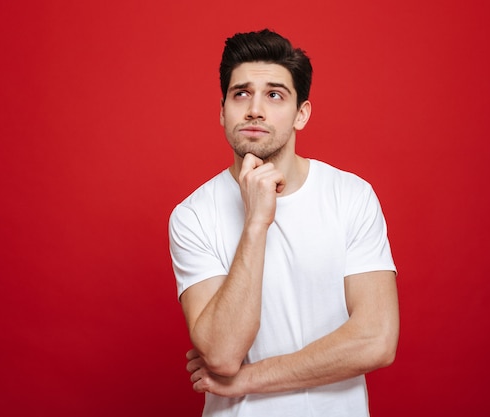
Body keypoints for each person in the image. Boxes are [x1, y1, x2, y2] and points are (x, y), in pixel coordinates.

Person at [168, 28, 399, 417]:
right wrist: (256, 223)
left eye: (275, 95)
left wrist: (247, 380)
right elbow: (223, 354)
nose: (255, 109)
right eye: (241, 94)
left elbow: (376, 340)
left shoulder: (351, 196)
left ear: (301, 114)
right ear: (222, 110)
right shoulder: (192, 216)